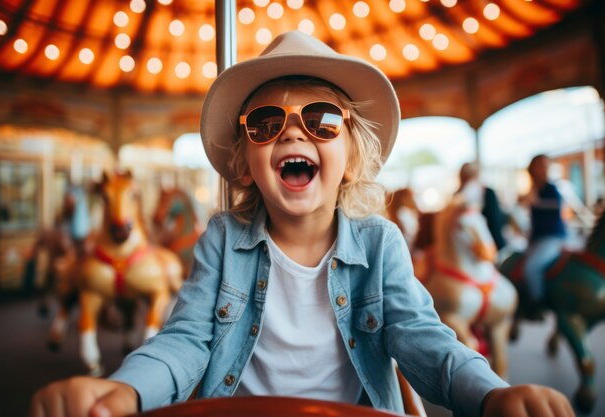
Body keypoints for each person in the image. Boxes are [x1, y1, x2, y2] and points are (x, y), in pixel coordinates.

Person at [30, 31, 574, 417]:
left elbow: (423, 339)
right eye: (266, 124)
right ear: (244, 162)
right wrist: (122, 391)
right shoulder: (222, 239)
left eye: (322, 119)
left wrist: (489, 393)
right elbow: (185, 341)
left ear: (353, 159)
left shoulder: (379, 243)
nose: (293, 135)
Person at [522, 154, 567, 311]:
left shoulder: (551, 188)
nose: (543, 169)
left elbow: (557, 206)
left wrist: (536, 203)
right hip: (538, 238)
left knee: (531, 267)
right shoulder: (535, 189)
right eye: (540, 166)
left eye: (545, 166)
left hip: (553, 237)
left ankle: (537, 303)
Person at [456, 162, 508, 252]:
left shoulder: (457, 196)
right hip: (486, 243)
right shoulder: (487, 192)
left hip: (466, 247)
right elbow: (495, 220)